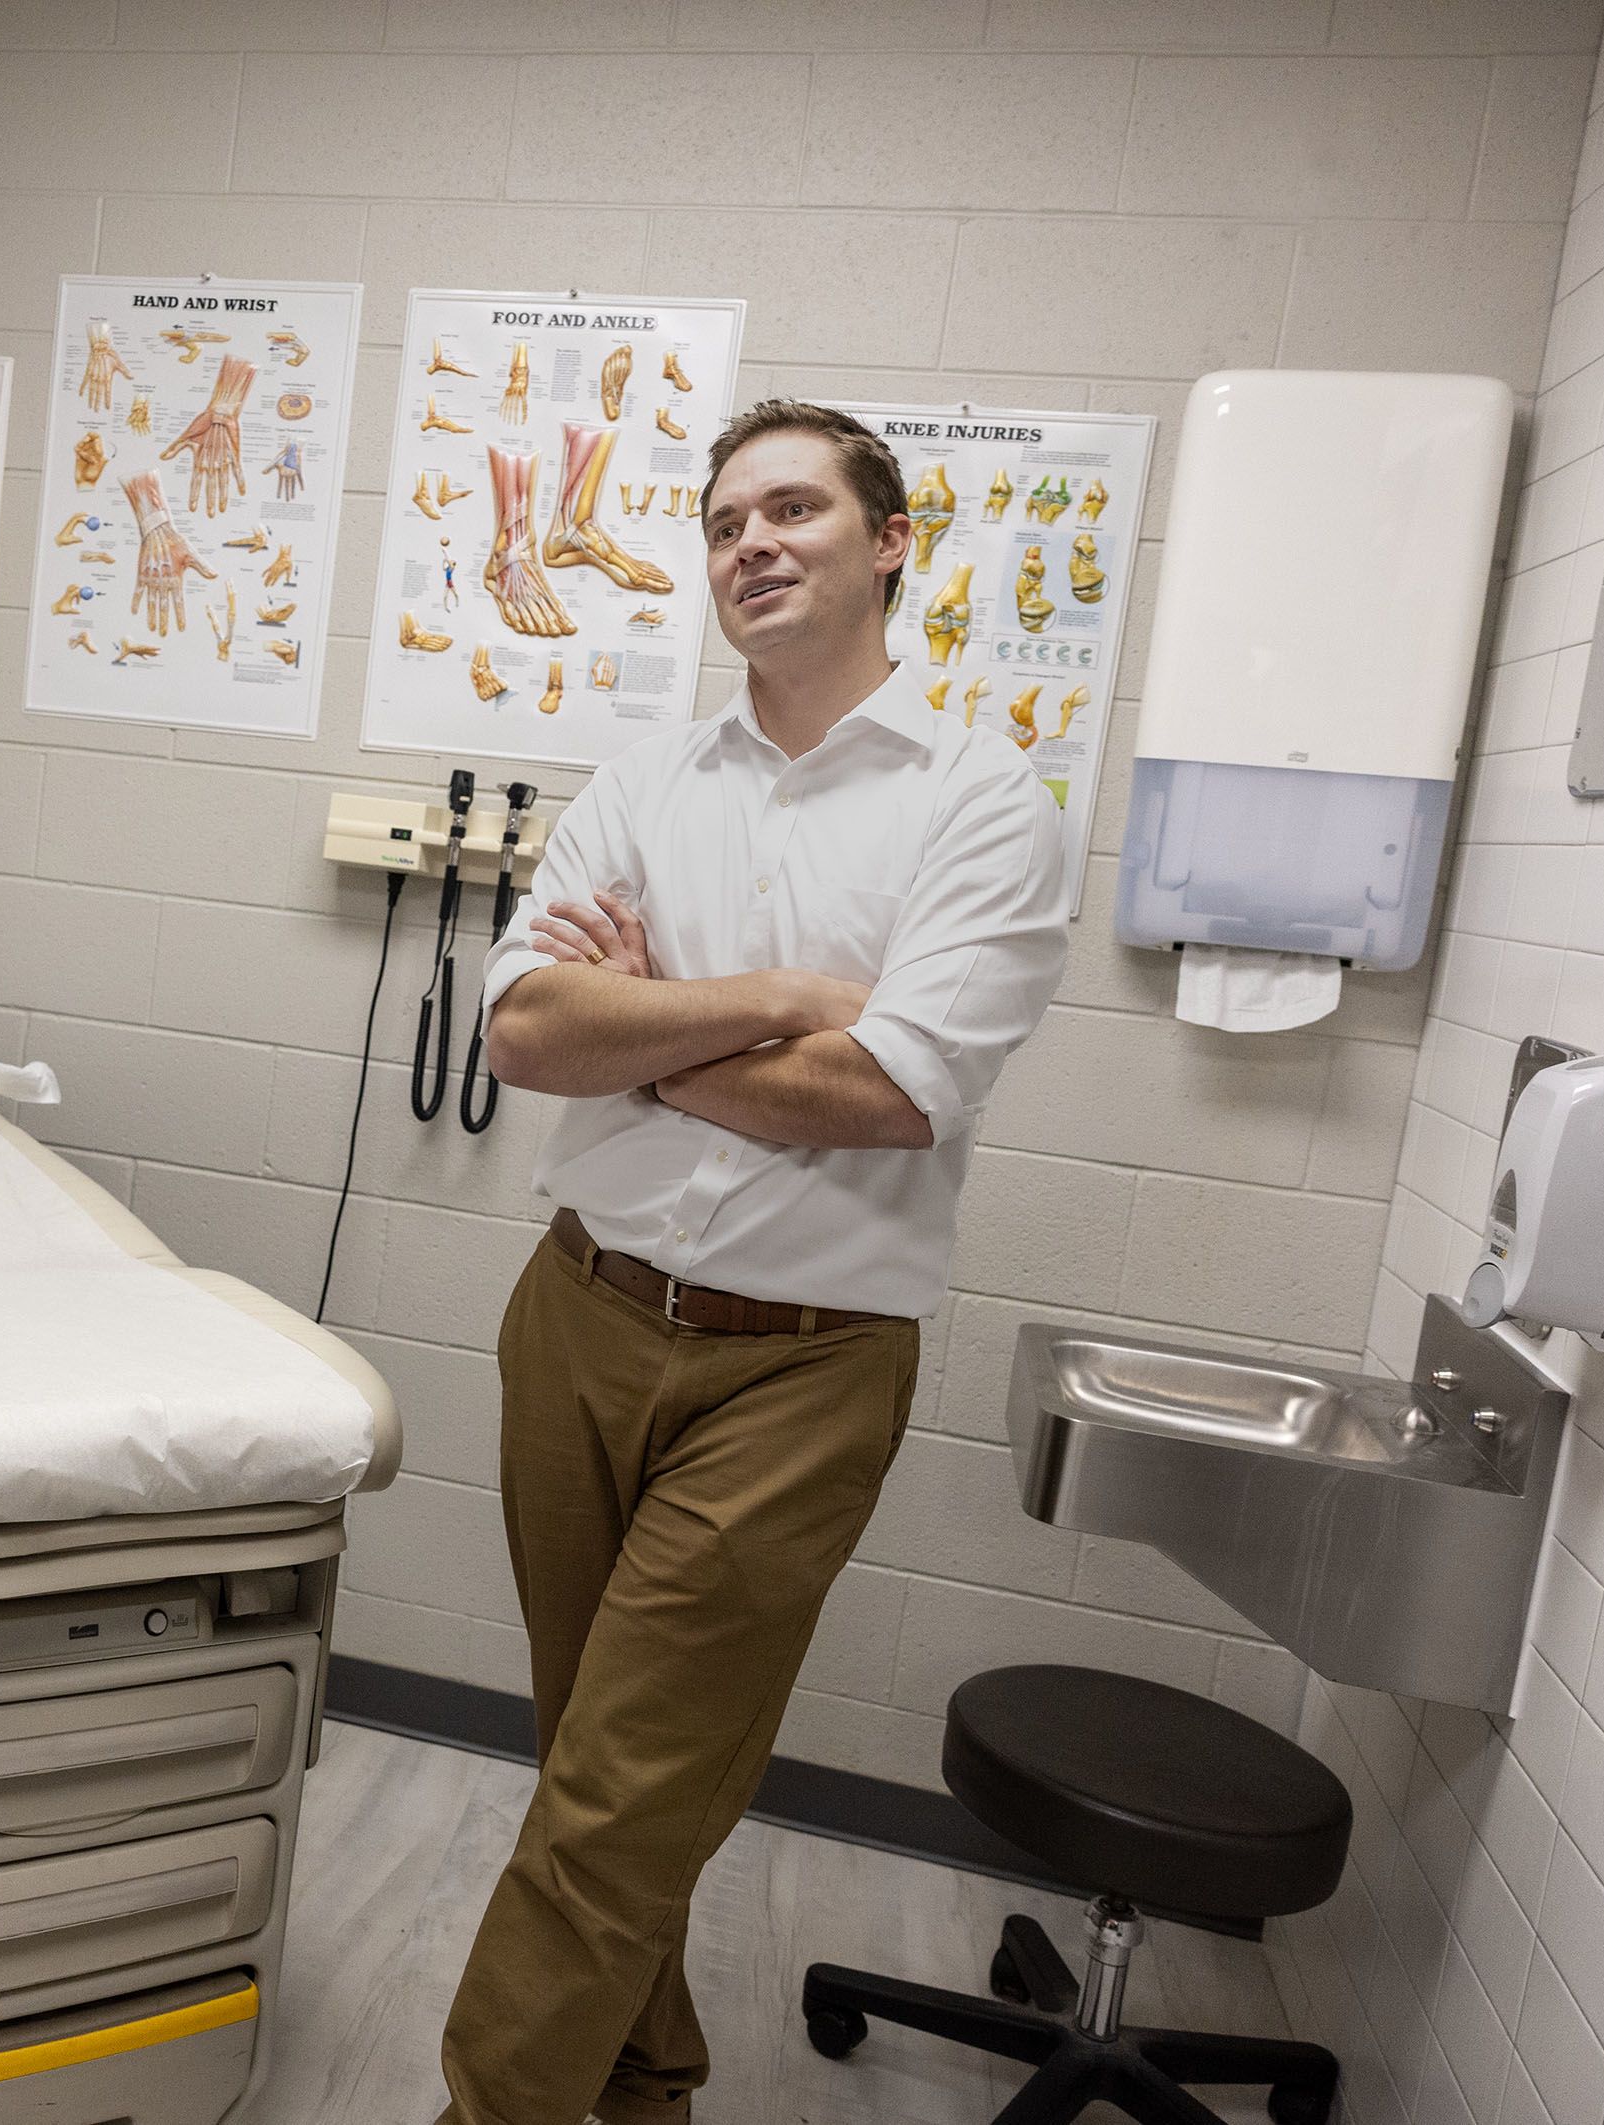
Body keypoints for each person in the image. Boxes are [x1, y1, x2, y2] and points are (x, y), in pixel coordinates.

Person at [434, 400, 1074, 2125]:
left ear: (888, 543)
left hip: (799, 1369)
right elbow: (525, 1026)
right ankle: (649, 2087)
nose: (751, 543)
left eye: (794, 508)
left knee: (613, 1798)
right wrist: (788, 996)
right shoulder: (645, 781)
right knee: (599, 1767)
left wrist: (642, 1029)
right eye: (725, 521)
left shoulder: (987, 806)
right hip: (576, 1319)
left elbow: (886, 1094)